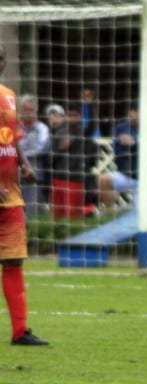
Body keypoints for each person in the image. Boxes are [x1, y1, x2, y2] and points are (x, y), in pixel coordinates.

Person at [0, 45, 47, 345]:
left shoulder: (8, 95)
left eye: (1, 56)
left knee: (14, 261)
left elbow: (10, 137)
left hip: (11, 194)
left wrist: (25, 164)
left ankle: (20, 331)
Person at [98, 106, 139, 207]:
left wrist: (134, 143)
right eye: (132, 112)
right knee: (102, 180)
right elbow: (119, 149)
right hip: (127, 175)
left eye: (137, 112)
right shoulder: (122, 127)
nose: (132, 115)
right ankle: (110, 212)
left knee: (140, 214)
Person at [18, 95, 49, 216]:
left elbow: (41, 148)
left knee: (31, 212)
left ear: (36, 111)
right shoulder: (15, 127)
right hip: (13, 175)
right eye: (25, 110)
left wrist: (20, 155)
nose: (28, 113)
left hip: (33, 174)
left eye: (30, 110)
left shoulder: (42, 129)